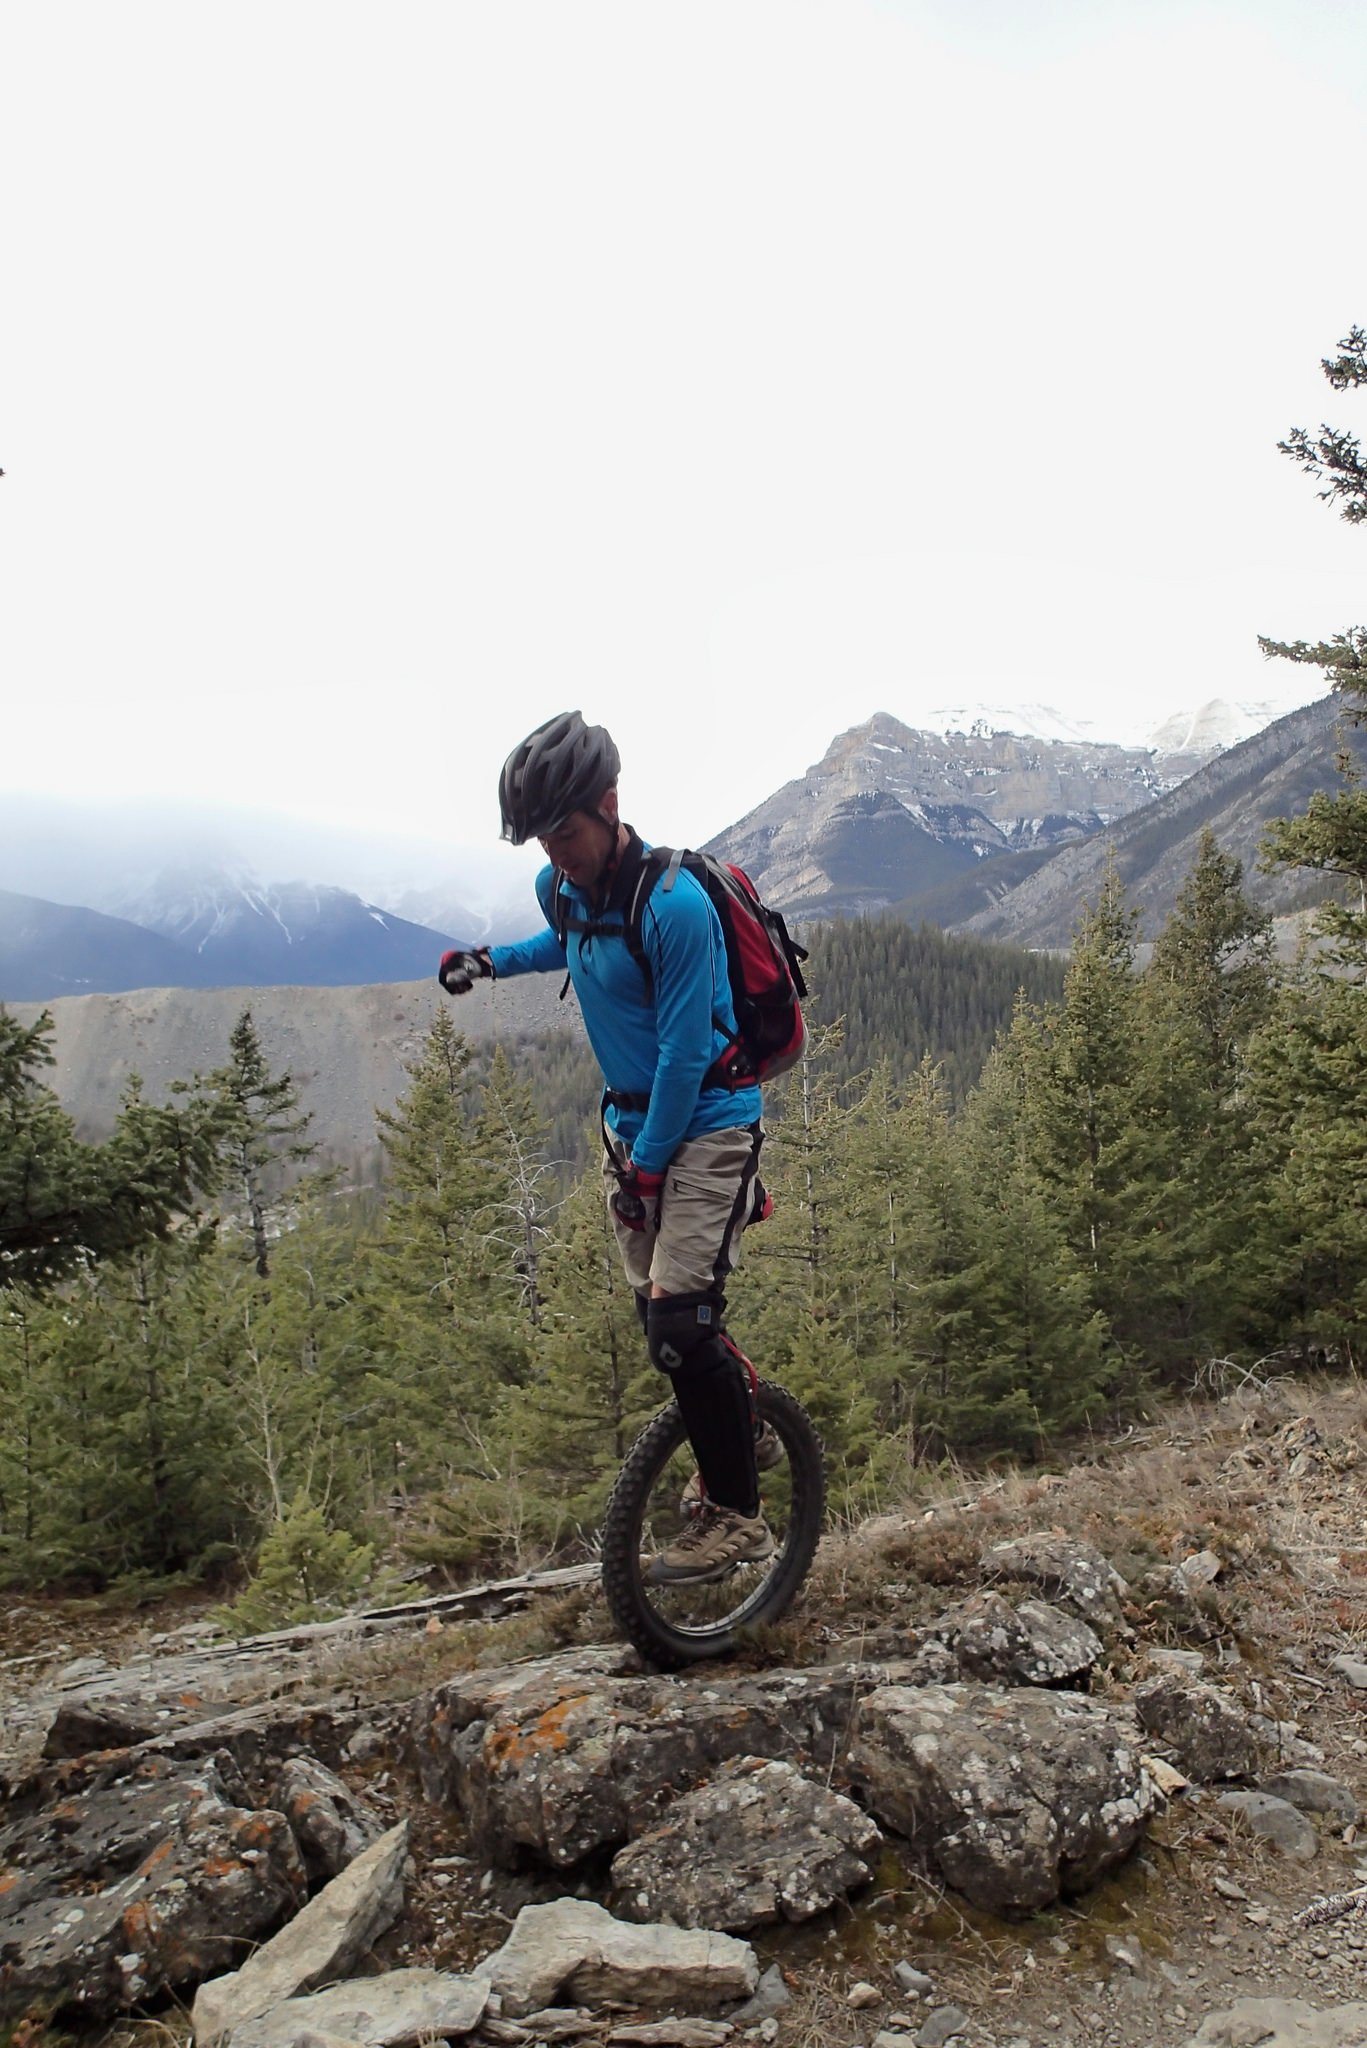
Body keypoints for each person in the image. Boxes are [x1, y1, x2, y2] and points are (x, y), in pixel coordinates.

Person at [439, 709, 779, 1586]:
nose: (555, 853)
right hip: (631, 1130)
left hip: (704, 1124)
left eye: (565, 830)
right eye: (541, 840)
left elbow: (682, 1052)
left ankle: (739, 1519)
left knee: (676, 1318)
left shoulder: (674, 905)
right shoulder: (566, 889)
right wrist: (489, 961)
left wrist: (653, 1162)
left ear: (608, 802)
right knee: (670, 1324)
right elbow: (565, 940)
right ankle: (743, 1423)